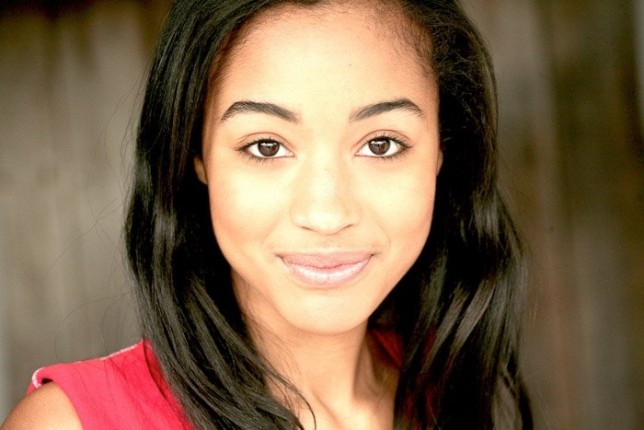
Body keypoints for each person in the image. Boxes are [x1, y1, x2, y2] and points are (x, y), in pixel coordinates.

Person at [2, 0, 533, 428]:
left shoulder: (448, 390)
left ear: (442, 150)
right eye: (266, 146)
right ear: (196, 155)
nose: (326, 213)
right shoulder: (71, 424)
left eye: (381, 144)